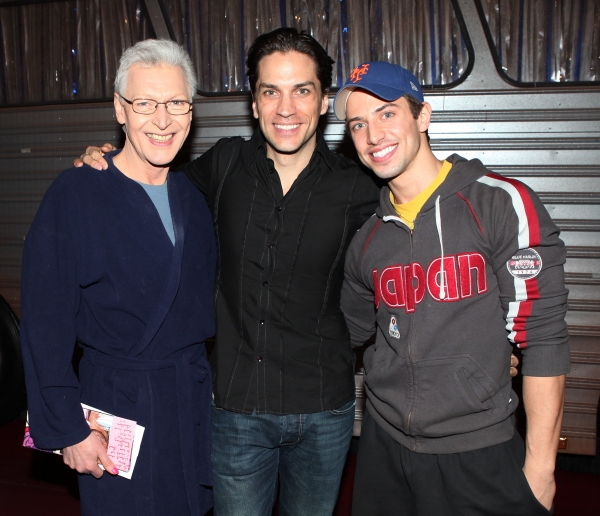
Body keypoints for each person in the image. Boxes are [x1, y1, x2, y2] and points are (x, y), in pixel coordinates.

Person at [76, 28, 381, 516]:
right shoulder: (223, 166)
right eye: (270, 91)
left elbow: (423, 235)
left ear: (325, 102)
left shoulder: (359, 186)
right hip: (235, 411)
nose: (286, 108)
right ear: (254, 104)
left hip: (324, 410)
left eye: (302, 90)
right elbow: (148, 184)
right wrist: (106, 162)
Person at [334, 61, 570, 516]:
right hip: (384, 447)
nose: (372, 135)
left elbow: (543, 339)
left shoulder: (499, 203)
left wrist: (541, 470)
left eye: (387, 113)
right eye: (357, 123)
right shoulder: (367, 238)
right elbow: (348, 333)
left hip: (478, 446)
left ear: (422, 116)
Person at [21, 39, 216, 516]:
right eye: (145, 103)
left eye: (176, 103)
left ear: (191, 112)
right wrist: (69, 429)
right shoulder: (76, 193)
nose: (163, 120)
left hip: (188, 404)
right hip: (117, 407)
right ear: (119, 109)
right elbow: (44, 324)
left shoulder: (192, 195)